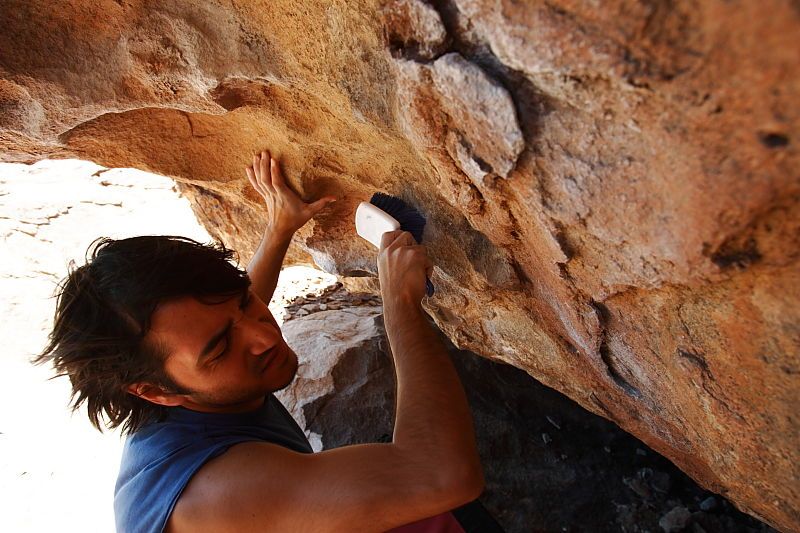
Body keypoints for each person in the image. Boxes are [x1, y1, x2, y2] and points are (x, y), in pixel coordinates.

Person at [36, 150, 499, 532]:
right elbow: (445, 475)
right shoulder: (218, 493)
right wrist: (398, 303)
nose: (264, 334)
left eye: (242, 304)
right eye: (220, 347)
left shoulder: (177, 380)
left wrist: (280, 228)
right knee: (417, 509)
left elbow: (232, 314)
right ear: (155, 391)